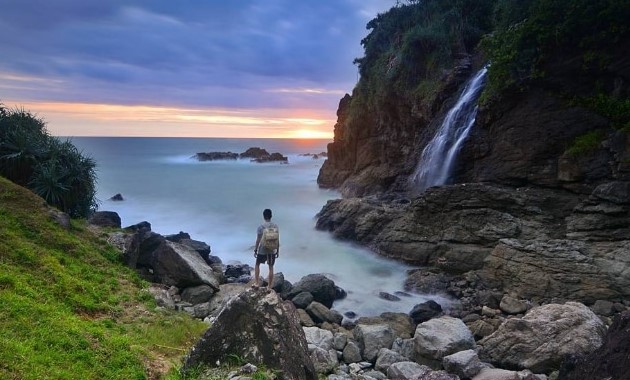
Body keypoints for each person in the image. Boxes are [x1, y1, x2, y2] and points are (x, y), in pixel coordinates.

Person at [253, 208, 279, 290]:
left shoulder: (261, 227)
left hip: (262, 249)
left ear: (264, 216)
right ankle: (269, 286)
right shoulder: (275, 226)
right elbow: (277, 239)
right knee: (271, 267)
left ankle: (257, 283)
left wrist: (255, 249)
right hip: (271, 249)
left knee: (257, 264)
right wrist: (277, 250)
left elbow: (258, 240)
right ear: (271, 216)